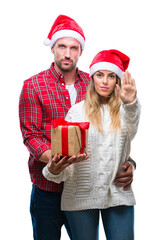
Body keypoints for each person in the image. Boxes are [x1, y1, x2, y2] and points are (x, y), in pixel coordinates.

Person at [19, 14, 136, 240]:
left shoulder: (96, 83)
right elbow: (31, 136)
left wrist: (128, 162)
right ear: (52, 47)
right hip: (48, 187)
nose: (67, 53)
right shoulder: (33, 86)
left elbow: (115, 132)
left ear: (80, 51)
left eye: (73, 48)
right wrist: (58, 161)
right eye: (62, 46)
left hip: (89, 189)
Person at [42, 49, 141, 240]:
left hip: (118, 193)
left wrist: (131, 104)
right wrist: (54, 169)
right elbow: (67, 159)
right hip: (80, 194)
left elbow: (132, 130)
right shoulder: (76, 112)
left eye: (111, 76)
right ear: (92, 78)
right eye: (100, 75)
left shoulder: (125, 110)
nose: (104, 81)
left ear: (117, 80)